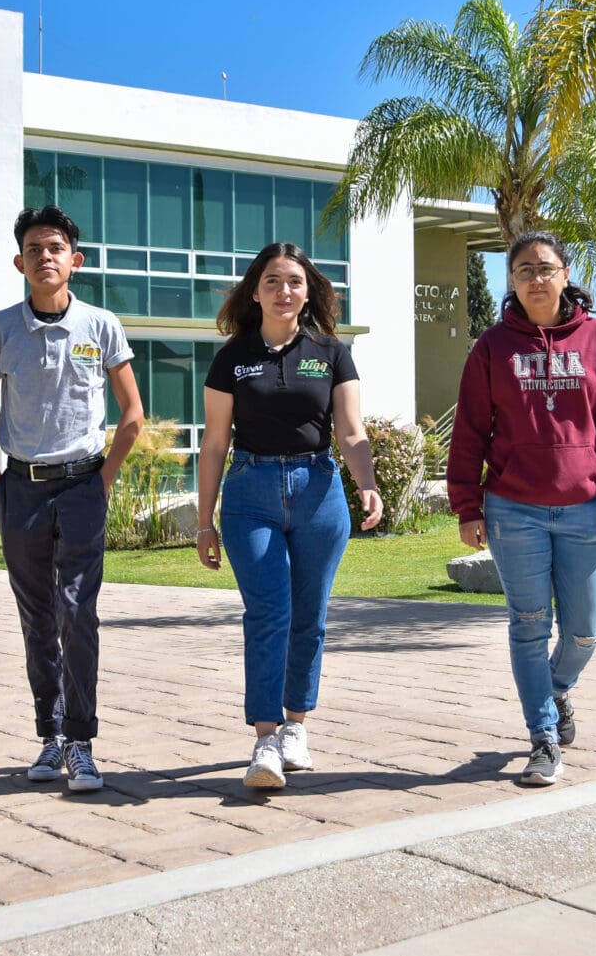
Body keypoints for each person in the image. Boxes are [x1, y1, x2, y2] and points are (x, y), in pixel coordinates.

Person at [447, 230, 596, 787]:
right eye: (524, 269)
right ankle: (543, 737)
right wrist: (468, 505)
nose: (536, 278)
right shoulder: (492, 347)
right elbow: (469, 433)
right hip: (513, 509)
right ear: (511, 280)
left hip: (583, 507)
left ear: (565, 275)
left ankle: (555, 692)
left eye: (546, 268)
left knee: (585, 631)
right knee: (529, 626)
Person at [196, 242, 383, 789]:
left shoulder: (331, 351)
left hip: (318, 493)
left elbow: (350, 431)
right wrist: (205, 521)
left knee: (310, 616)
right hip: (250, 491)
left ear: (309, 291)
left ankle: (296, 725)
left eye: (294, 282)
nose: (284, 291)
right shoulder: (233, 356)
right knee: (268, 612)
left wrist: (367, 484)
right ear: (255, 290)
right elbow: (213, 444)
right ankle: (264, 740)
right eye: (273, 281)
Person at [0, 205, 143, 792]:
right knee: (37, 616)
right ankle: (49, 736)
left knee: (77, 611)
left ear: (76, 259)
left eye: (56, 247)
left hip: (81, 486)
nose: (46, 256)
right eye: (35, 249)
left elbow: (133, 416)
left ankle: (82, 741)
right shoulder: (1, 328)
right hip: (21, 489)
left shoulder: (101, 326)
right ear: (20, 262)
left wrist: (103, 480)